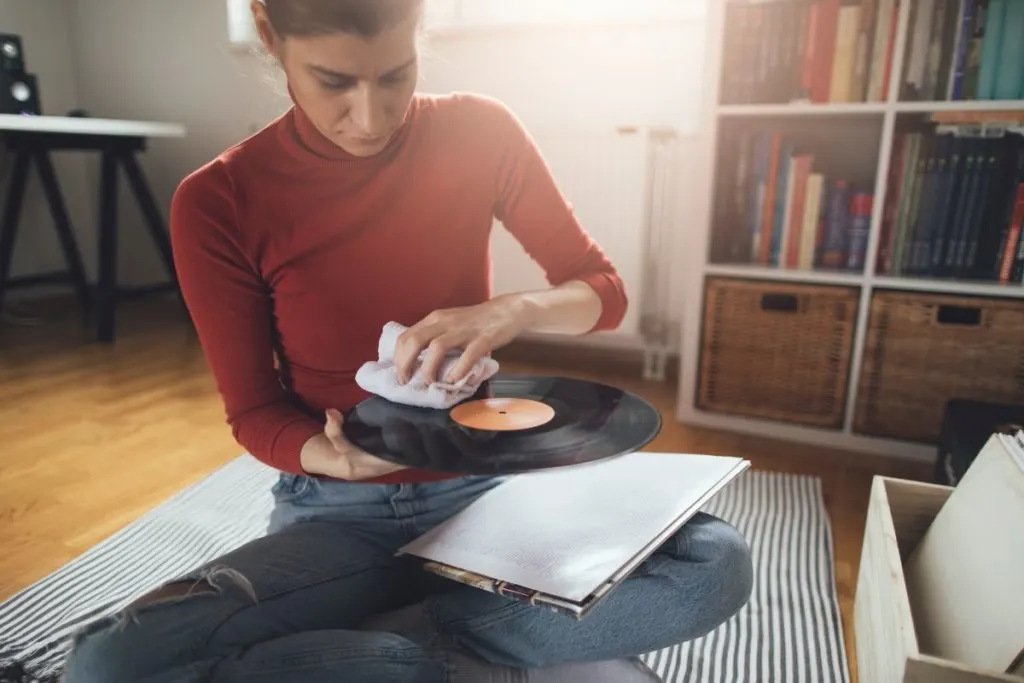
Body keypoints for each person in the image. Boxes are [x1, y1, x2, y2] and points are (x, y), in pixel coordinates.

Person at [62, 1, 753, 681]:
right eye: (335, 82)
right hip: (337, 513)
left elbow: (602, 294)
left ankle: (404, 645)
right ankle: (479, 644)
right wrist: (323, 456)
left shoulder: (482, 130)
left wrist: (514, 308)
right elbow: (252, 412)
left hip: (485, 492)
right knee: (108, 661)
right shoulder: (218, 199)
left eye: (396, 74)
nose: (372, 117)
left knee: (712, 563)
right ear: (268, 34)